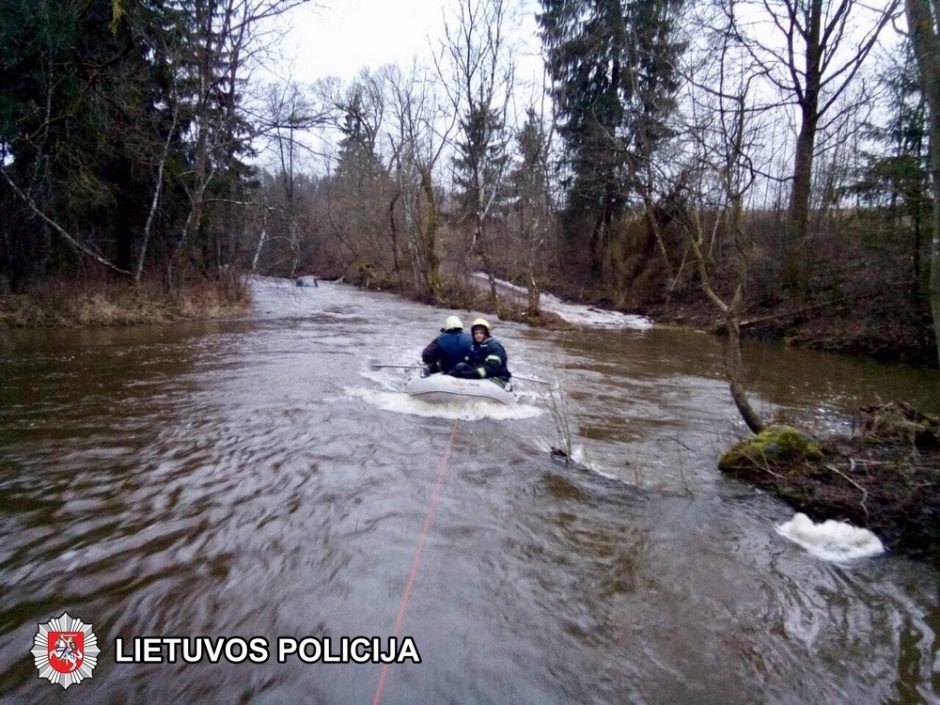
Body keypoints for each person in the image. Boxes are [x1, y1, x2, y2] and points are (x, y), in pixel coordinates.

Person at [451, 318, 511, 385]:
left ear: (486, 334)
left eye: (481, 333)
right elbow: (469, 362)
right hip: (482, 374)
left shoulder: (494, 346)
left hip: (497, 377)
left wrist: (470, 374)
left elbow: (492, 369)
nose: (478, 335)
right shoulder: (475, 346)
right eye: (476, 333)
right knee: (460, 366)